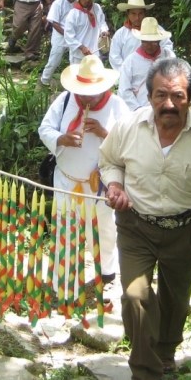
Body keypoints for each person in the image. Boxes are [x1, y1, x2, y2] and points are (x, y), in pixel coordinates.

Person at [99, 58, 191, 380]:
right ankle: (146, 371)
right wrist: (115, 184)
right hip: (136, 227)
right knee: (135, 296)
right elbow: (108, 161)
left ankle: (166, 351)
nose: (169, 104)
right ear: (149, 97)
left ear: (190, 98)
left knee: (176, 299)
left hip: (185, 230)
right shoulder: (129, 127)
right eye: (161, 95)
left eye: (178, 96)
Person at [38, 55, 129, 301]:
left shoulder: (118, 106)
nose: (87, 97)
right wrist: (61, 138)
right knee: (65, 228)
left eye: (93, 91)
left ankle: (107, 271)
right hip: (66, 179)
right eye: (84, 91)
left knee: (104, 228)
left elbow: (130, 142)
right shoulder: (65, 99)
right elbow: (44, 128)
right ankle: (63, 281)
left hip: (99, 183)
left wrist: (104, 133)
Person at [117, 17, 175, 111]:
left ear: (159, 41)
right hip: (139, 110)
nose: (149, 45)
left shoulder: (169, 56)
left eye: (153, 42)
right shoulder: (130, 61)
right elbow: (124, 90)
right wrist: (138, 110)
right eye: (146, 42)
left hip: (165, 108)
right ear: (141, 40)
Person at [108, 0, 174, 70]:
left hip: (154, 74)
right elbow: (114, 56)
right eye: (133, 13)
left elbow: (167, 48)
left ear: (145, 13)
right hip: (129, 75)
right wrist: (126, 72)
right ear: (128, 14)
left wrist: (159, 67)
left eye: (140, 13)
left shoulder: (155, 29)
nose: (137, 17)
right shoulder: (120, 34)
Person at [39, 0, 79, 86]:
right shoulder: (58, 3)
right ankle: (44, 80)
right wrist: (66, 33)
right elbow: (54, 22)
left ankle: (74, 84)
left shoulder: (79, 4)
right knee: (54, 60)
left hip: (76, 36)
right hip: (60, 36)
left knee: (75, 60)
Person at [63, 0, 109, 66]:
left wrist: (104, 31)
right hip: (78, 56)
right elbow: (68, 36)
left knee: (94, 78)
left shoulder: (97, 8)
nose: (87, 0)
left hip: (95, 53)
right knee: (77, 78)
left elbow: (102, 22)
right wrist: (82, 47)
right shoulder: (73, 14)